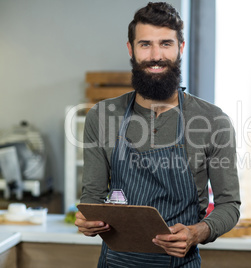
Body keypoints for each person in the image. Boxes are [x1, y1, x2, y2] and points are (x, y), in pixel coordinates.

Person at [75, 2, 240, 267]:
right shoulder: (102, 115)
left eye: (165, 43)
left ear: (180, 48)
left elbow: (229, 205)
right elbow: (92, 199)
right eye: (145, 44)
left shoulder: (213, 120)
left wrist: (197, 232)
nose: (155, 55)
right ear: (131, 49)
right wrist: (87, 221)